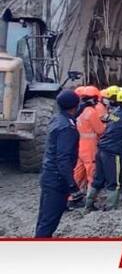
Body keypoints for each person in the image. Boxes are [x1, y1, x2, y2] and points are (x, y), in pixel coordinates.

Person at [35, 90, 80, 237]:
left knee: (44, 219)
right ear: (75, 106)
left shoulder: (57, 119)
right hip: (57, 180)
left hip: (49, 175)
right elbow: (63, 159)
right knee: (49, 222)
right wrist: (72, 185)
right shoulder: (67, 127)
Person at [72, 86, 106, 196]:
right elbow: (100, 130)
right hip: (90, 147)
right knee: (92, 174)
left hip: (80, 146)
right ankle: (91, 199)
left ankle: (71, 197)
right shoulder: (92, 112)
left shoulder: (78, 111)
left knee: (78, 172)